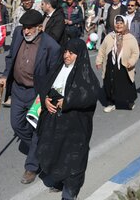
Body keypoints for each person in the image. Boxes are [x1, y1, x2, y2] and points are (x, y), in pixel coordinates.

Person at [0, 9, 60, 185]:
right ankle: (39, 147)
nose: (26, 31)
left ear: (40, 27)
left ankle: (32, 166)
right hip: (18, 89)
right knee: (17, 124)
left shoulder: (51, 46)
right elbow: (10, 58)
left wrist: (48, 97)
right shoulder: (18, 34)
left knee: (37, 129)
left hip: (37, 93)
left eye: (30, 28)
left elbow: (54, 75)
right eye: (25, 27)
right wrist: (4, 75)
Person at [36, 38, 99, 200]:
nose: (67, 56)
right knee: (55, 151)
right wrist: (45, 100)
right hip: (54, 121)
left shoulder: (85, 73)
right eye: (65, 51)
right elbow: (44, 86)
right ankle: (58, 179)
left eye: (71, 53)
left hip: (74, 125)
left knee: (73, 158)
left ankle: (70, 192)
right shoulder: (58, 68)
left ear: (79, 55)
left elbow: (90, 95)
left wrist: (69, 101)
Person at [96, 15, 140, 112]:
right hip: (110, 65)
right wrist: (99, 61)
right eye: (117, 23)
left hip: (125, 65)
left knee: (126, 84)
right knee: (109, 83)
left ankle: (130, 101)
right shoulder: (109, 37)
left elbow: (136, 52)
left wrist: (131, 62)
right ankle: (111, 103)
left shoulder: (130, 38)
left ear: (125, 24)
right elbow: (102, 50)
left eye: (121, 23)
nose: (119, 25)